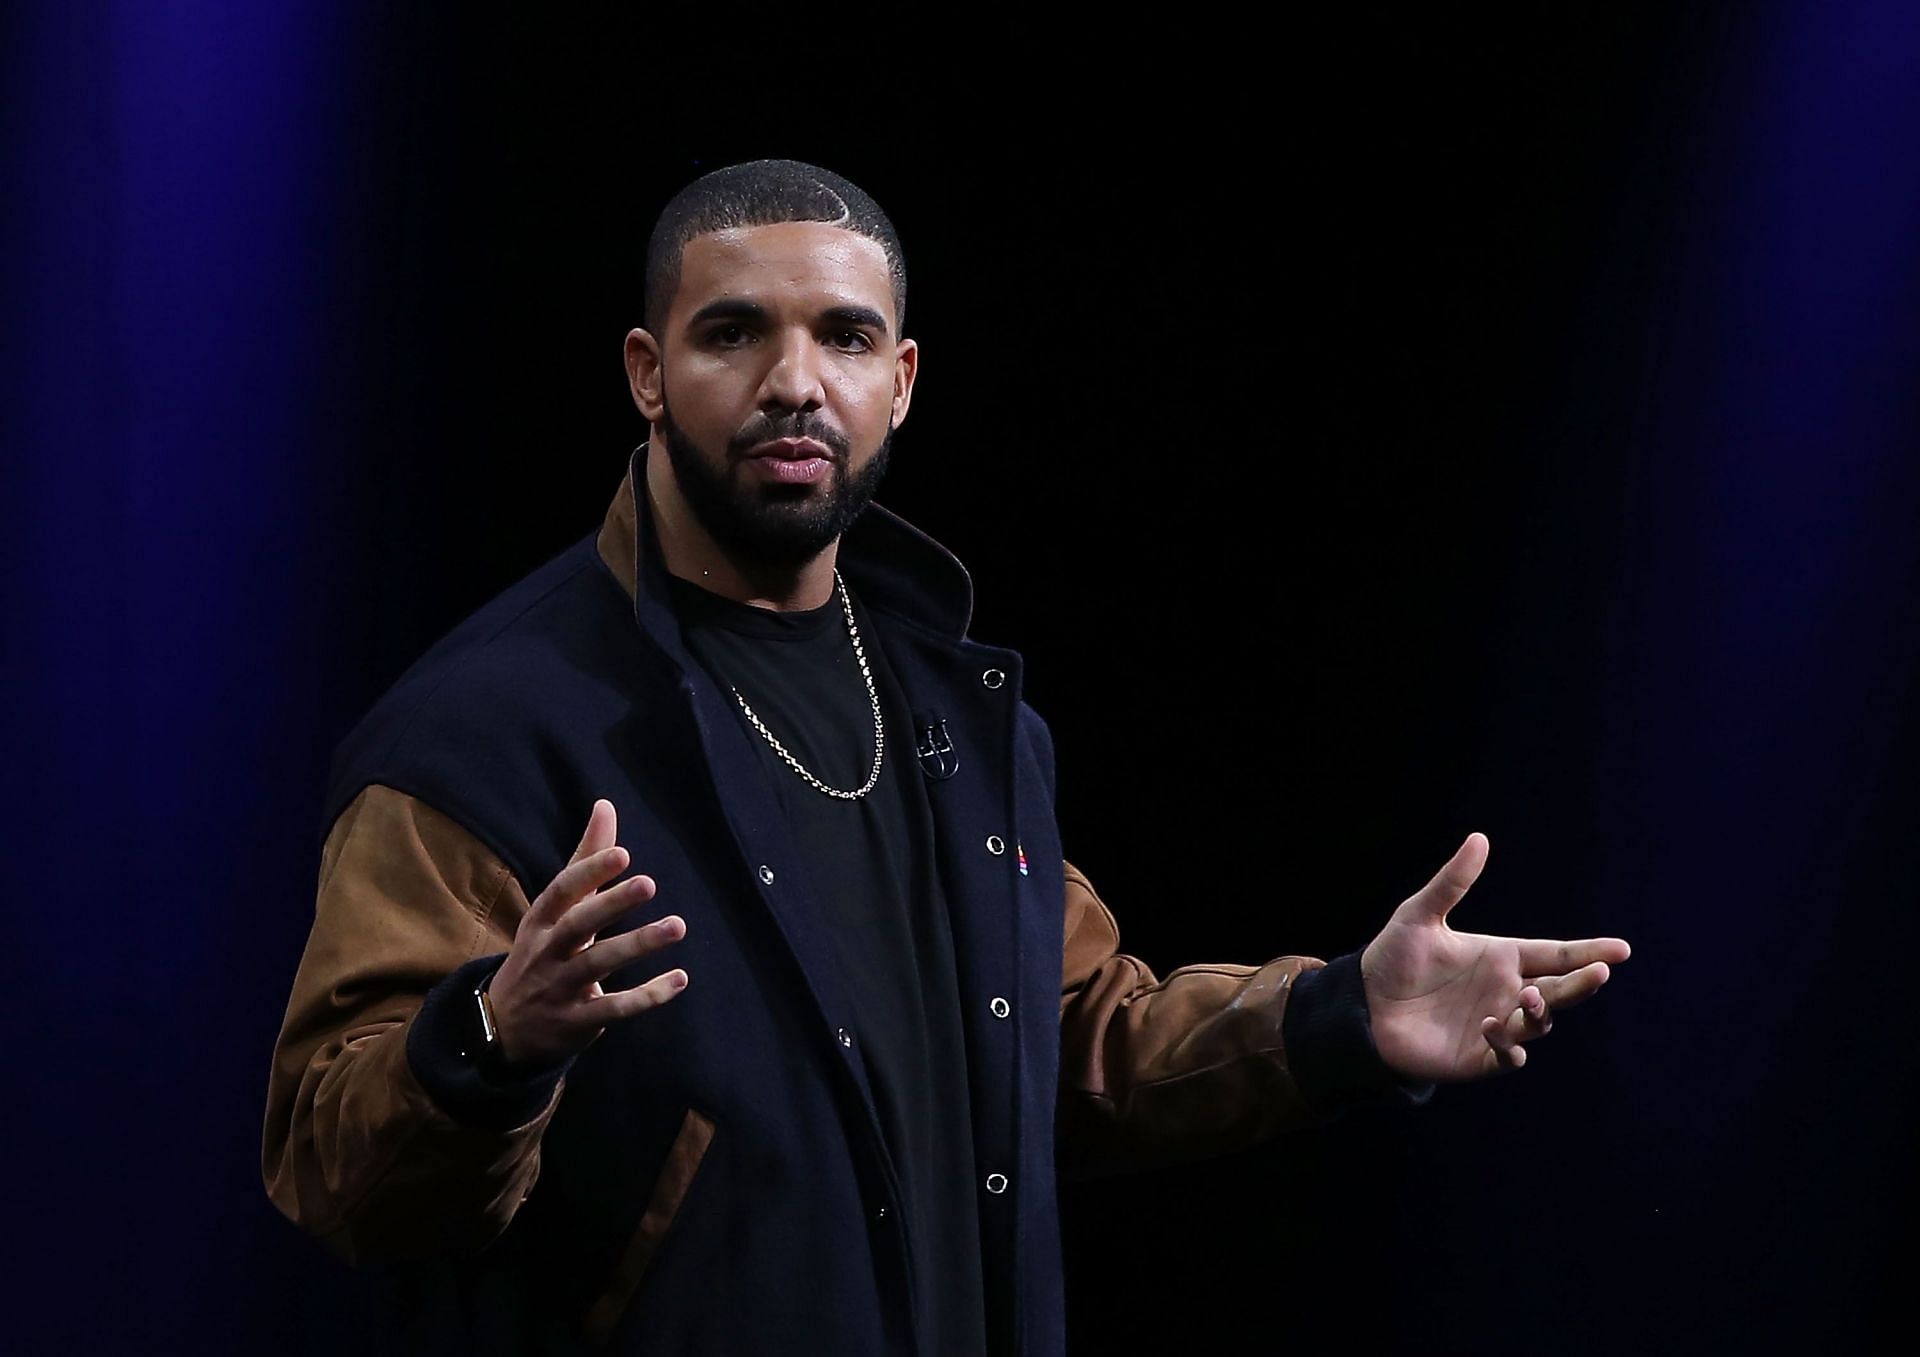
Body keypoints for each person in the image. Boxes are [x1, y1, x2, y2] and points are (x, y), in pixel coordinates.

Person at [262, 159, 1631, 1356]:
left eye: (845, 337)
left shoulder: (961, 719)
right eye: (733, 332)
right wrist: (492, 1037)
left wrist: (1342, 1016)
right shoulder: (486, 729)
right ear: (644, 371)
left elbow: (1077, 1034)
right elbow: (330, 1159)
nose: (794, 381)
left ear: (900, 381)